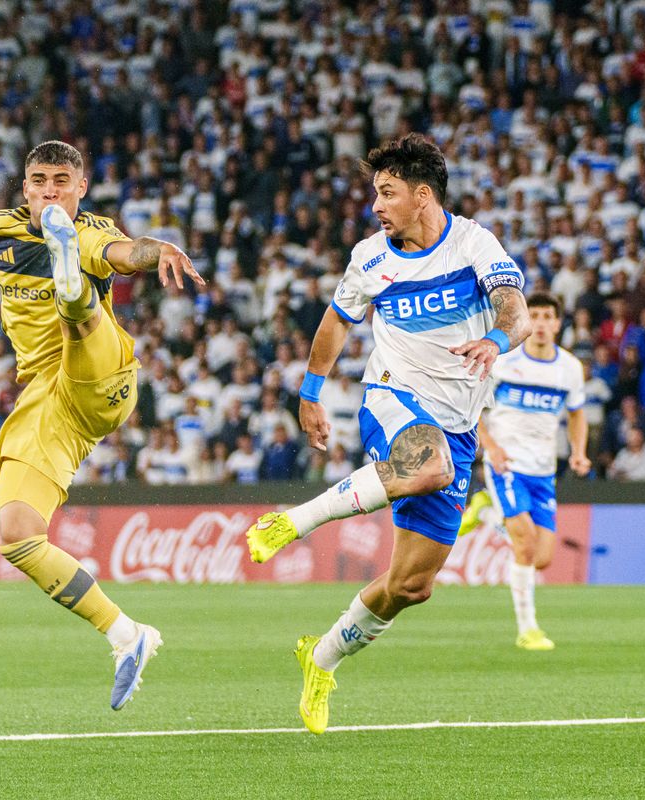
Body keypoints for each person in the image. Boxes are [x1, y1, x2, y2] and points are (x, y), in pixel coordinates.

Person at [0, 140, 204, 709]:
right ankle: (128, 636)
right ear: (25, 188)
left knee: (79, 310)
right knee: (18, 538)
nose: (49, 190)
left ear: (81, 189)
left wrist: (162, 251)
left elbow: (130, 253)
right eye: (38, 180)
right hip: (50, 403)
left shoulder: (93, 232)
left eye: (61, 180)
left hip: (104, 376)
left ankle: (72, 289)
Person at [243, 134, 531, 734]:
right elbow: (337, 320)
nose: (376, 203)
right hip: (393, 397)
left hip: (457, 425)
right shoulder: (370, 256)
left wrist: (495, 341)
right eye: (376, 191)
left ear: (422, 196)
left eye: (387, 192)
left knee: (411, 586)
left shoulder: (476, 244)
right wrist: (312, 390)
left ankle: (320, 659)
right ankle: (294, 520)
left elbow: (514, 312)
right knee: (431, 467)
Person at [466, 292, 590, 651]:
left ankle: (487, 512)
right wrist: (491, 448)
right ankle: (528, 629)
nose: (539, 323)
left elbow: (577, 412)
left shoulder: (569, 368)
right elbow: (473, 408)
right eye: (533, 315)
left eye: (547, 316)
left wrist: (579, 452)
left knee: (542, 557)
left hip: (543, 471)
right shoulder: (504, 361)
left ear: (557, 323)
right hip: (507, 464)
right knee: (524, 544)